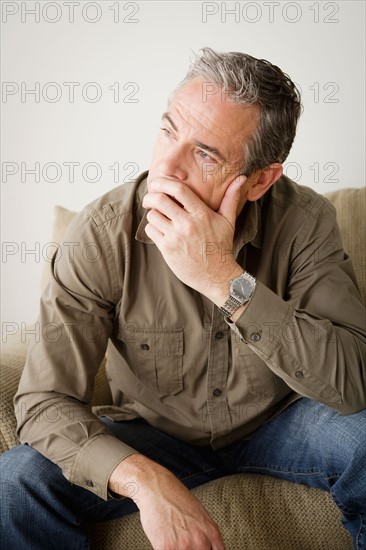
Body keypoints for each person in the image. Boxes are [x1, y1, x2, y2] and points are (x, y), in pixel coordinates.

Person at [1, 47, 365, 550]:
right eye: (169, 130)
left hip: (282, 422)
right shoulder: (103, 232)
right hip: (156, 436)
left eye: (204, 154)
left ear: (260, 179)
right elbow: (43, 401)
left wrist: (223, 280)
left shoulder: (306, 221)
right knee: (14, 482)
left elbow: (354, 385)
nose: (166, 169)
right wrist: (145, 480)